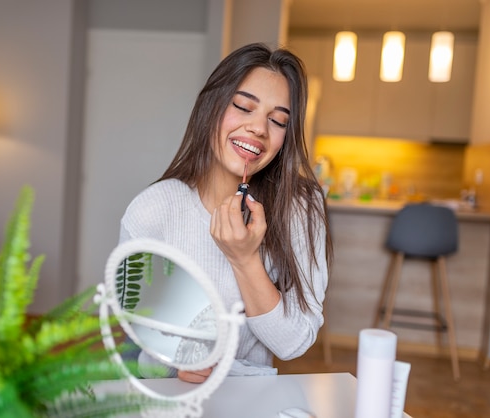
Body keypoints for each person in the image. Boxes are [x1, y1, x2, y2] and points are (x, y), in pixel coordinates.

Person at [119, 42, 332, 383]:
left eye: (277, 121)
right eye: (244, 107)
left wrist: (245, 259)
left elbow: (293, 342)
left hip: (250, 399)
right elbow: (138, 334)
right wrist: (174, 362)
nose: (259, 129)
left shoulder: (301, 209)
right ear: (211, 108)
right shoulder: (152, 210)